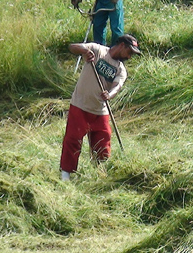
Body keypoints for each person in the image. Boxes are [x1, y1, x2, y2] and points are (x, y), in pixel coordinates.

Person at [60, 34, 141, 180]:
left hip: (100, 111)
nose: (129, 57)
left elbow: (117, 85)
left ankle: (99, 175)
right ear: (122, 45)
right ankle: (66, 175)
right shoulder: (98, 50)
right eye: (129, 52)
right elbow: (73, 47)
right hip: (80, 105)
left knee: (103, 145)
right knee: (73, 140)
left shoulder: (121, 70)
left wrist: (109, 95)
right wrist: (85, 51)